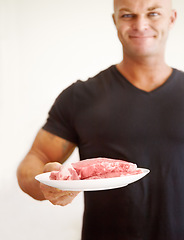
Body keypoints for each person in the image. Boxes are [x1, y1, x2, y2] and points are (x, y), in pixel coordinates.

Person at [17, 0, 184, 239]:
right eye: (127, 15)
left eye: (153, 13)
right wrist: (46, 185)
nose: (141, 24)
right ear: (114, 20)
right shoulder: (80, 97)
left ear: (172, 18)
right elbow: (34, 161)